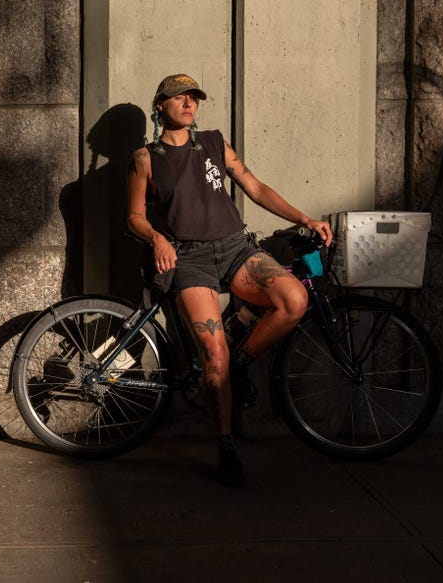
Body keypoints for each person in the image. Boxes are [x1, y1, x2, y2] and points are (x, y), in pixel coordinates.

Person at [127, 74, 333, 487]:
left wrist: (304, 218)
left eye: (193, 98)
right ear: (160, 105)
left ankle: (242, 363)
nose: (188, 104)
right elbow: (133, 216)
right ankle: (225, 446)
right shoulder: (146, 159)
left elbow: (254, 187)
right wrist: (157, 238)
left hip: (236, 248)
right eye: (178, 97)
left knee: (294, 300)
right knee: (213, 356)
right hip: (191, 261)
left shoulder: (215, 144)